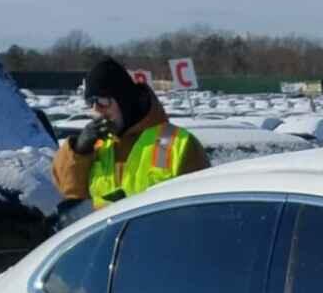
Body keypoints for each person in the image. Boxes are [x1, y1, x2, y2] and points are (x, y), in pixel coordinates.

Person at [53, 58, 208, 210]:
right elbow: (72, 200)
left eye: (103, 100)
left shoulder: (166, 140)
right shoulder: (98, 145)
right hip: (107, 234)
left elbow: (200, 209)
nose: (97, 109)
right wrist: (79, 152)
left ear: (124, 100)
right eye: (90, 102)